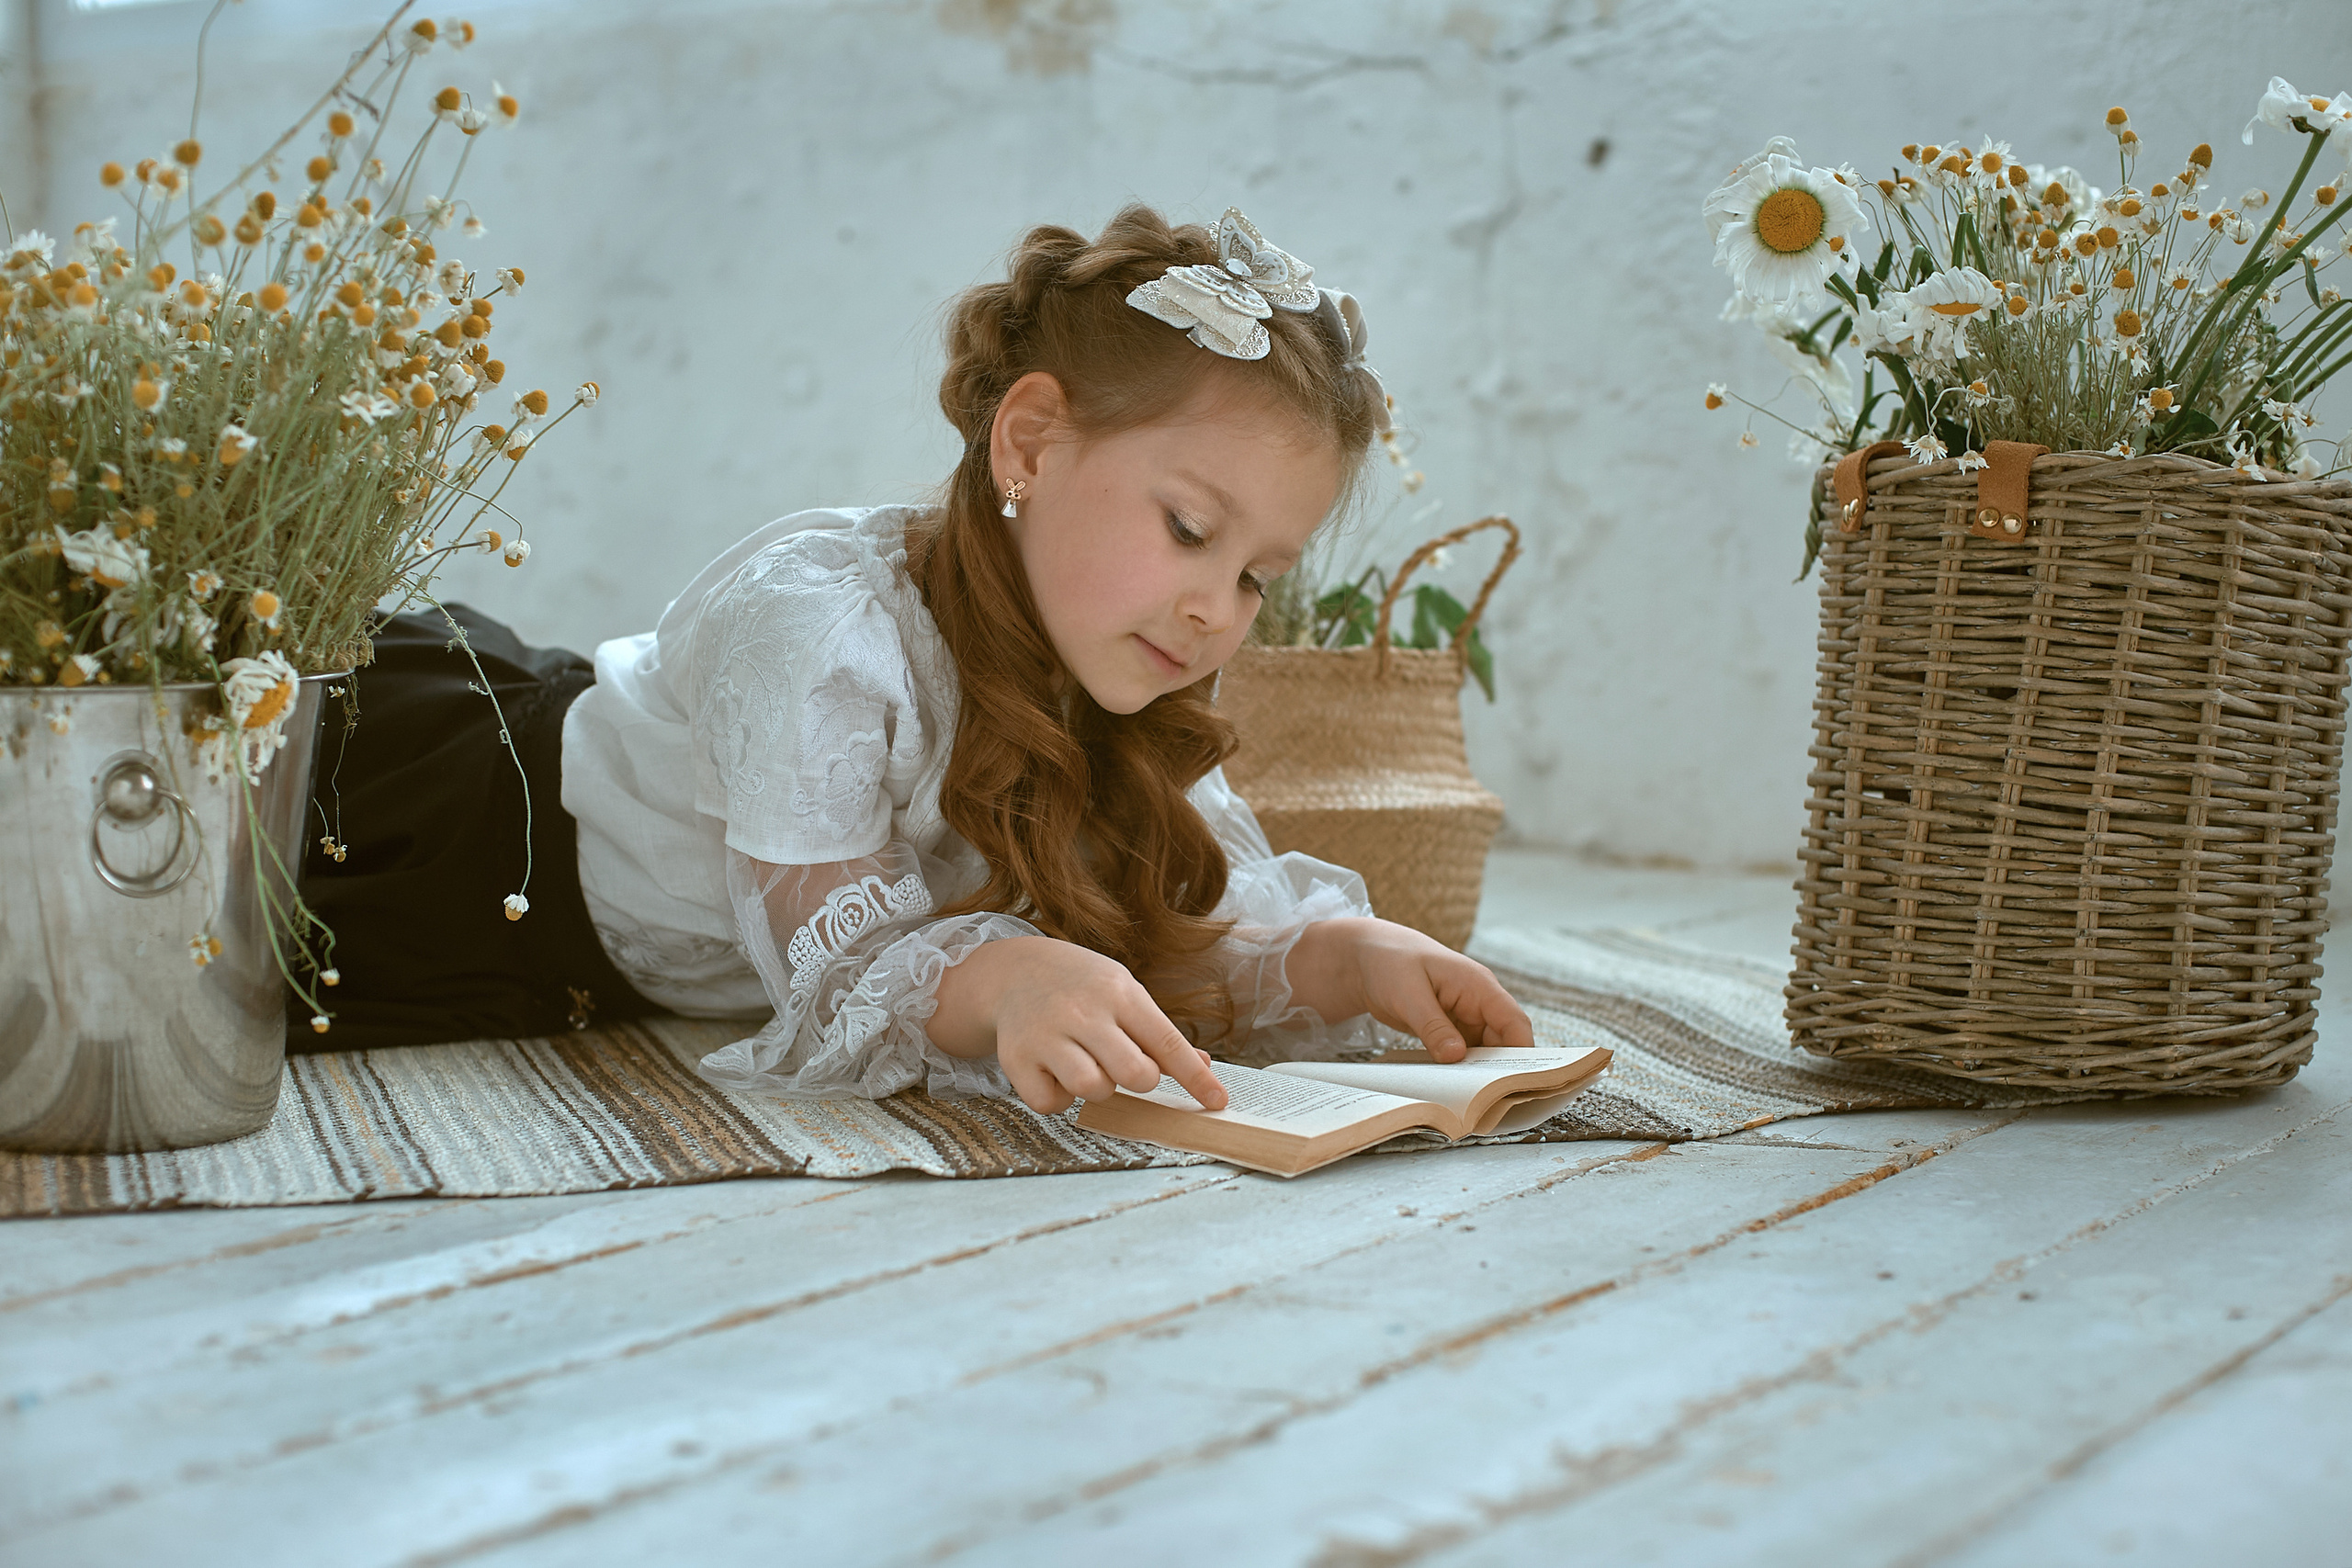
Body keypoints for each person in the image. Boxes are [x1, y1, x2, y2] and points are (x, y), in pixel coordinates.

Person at [295, 203, 1534, 1114]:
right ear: (1032, 443)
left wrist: (1340, 959)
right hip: (452, 828)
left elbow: (1176, 935)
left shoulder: (1112, 664)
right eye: (1190, 531)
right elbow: (841, 973)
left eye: (1259, 575)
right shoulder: (822, 630)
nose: (1218, 608)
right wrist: (1004, 979)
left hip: (614, 957)